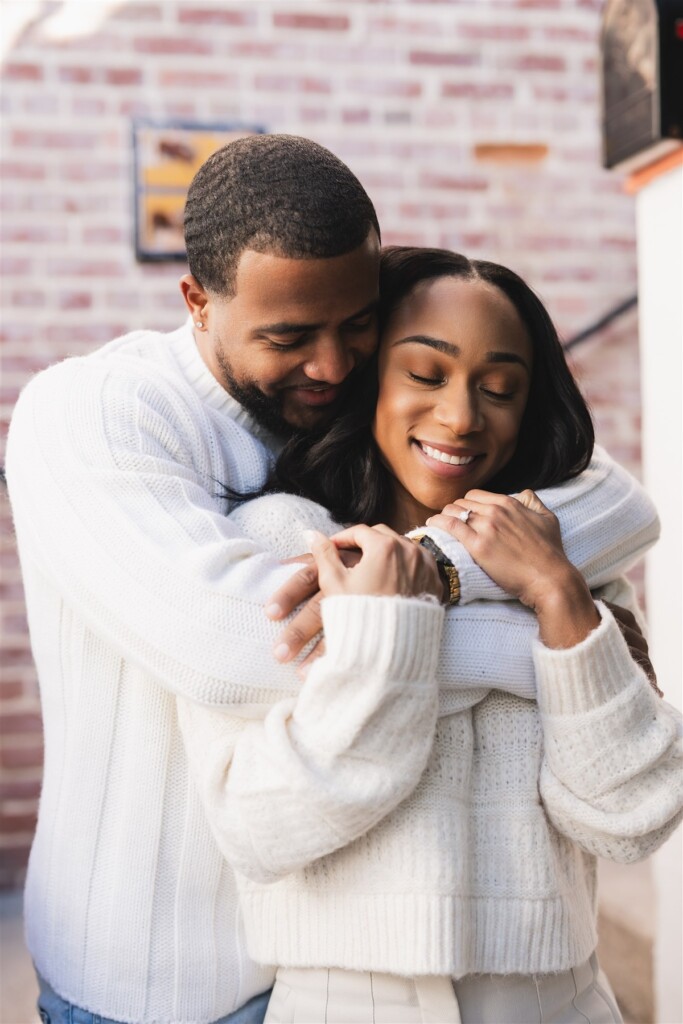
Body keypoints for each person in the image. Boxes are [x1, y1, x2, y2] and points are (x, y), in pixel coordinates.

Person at [4, 132, 659, 1024]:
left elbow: (614, 497)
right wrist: (540, 635)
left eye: (357, 327)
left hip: (314, 976)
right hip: (154, 977)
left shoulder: (342, 402)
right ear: (197, 301)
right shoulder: (95, 417)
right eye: (290, 336)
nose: (331, 364)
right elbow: (244, 640)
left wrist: (480, 575)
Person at [178, 247, 683, 1024]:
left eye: (499, 388)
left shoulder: (565, 568)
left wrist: (555, 596)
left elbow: (632, 816)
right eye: (424, 374)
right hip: (343, 1005)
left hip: (558, 1004)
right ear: (366, 375)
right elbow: (259, 830)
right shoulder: (279, 551)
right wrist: (396, 634)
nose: (459, 416)